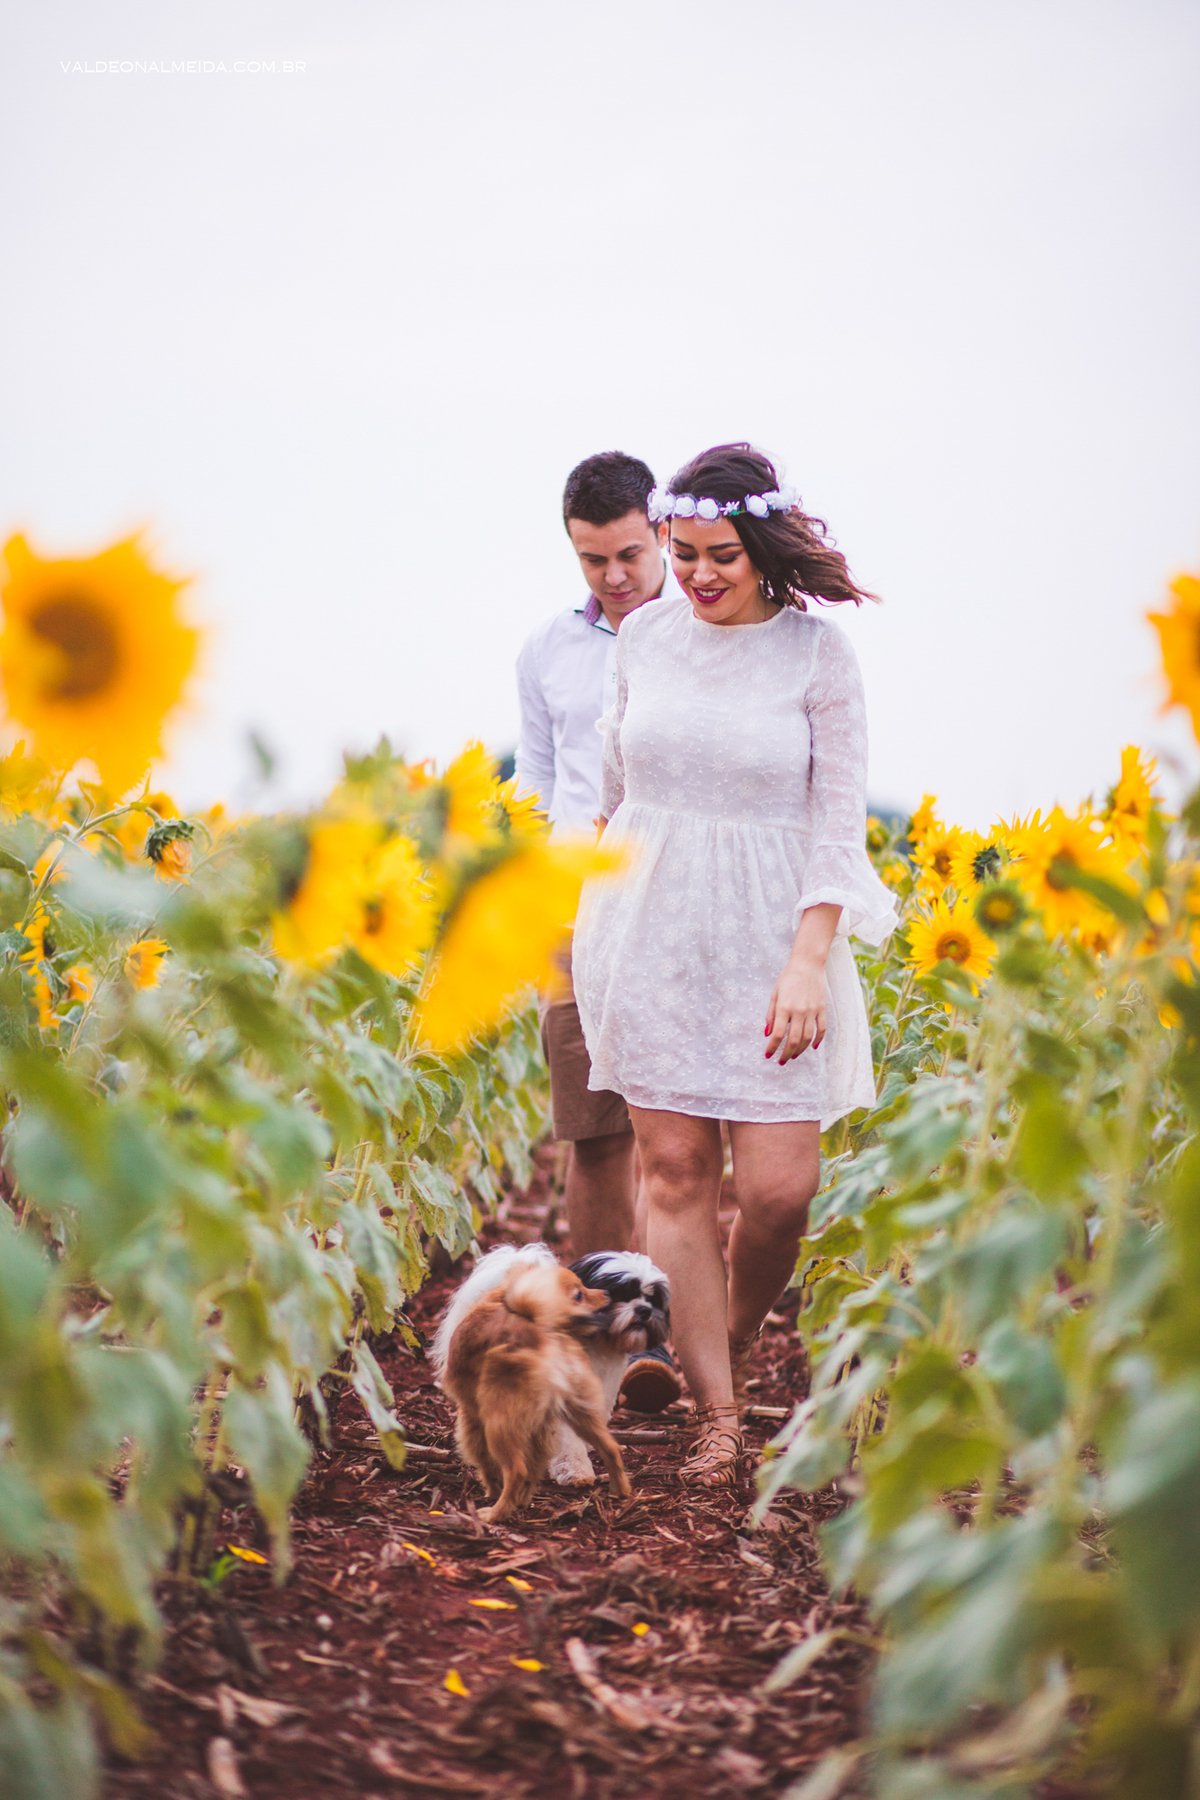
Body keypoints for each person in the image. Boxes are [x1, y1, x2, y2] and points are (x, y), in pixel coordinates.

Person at [572, 443, 897, 1486]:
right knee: (672, 1171)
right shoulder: (643, 640)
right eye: (684, 553)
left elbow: (836, 827)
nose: (698, 576)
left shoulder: (817, 657)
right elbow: (618, 791)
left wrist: (809, 960)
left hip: (772, 937)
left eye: (720, 556)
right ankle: (720, 1409)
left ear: (762, 551)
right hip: (652, 923)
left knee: (777, 1191)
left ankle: (737, 1327)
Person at [514, 450, 684, 1412]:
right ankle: (596, 1351)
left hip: (673, 902)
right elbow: (539, 783)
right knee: (593, 1133)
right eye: (592, 561)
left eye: (627, 554)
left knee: (674, 1134)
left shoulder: (701, 634)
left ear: (659, 531)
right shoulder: (547, 650)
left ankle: (656, 1339)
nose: (614, 578)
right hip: (575, 907)